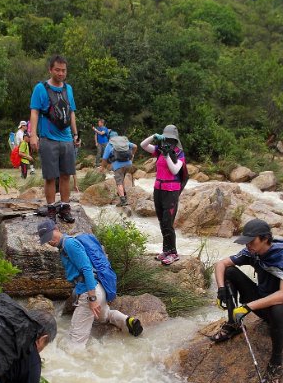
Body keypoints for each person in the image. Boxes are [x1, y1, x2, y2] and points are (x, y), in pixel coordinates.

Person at [213, 219, 283, 383]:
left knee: (278, 309)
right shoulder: (252, 252)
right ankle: (234, 323)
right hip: (263, 300)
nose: (248, 245)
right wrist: (221, 289)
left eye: (251, 241)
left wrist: (248, 307)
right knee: (229, 273)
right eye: (246, 242)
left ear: (265, 239)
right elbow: (221, 264)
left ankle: (275, 363)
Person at [38, 219, 143, 346]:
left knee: (75, 341)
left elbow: (87, 269)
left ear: (56, 229)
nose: (50, 241)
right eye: (46, 239)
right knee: (104, 317)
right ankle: (127, 321)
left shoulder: (69, 244)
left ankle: (76, 362)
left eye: (50, 236)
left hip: (90, 291)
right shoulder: (64, 245)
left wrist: (92, 298)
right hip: (98, 288)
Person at [30, 54, 80, 223]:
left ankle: (65, 207)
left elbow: (71, 112)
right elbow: (35, 112)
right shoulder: (40, 88)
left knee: (66, 175)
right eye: (57, 70)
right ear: (50, 70)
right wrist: (33, 135)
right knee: (50, 176)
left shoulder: (69, 89)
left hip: (66, 138)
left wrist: (75, 134)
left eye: (63, 70)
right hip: (48, 138)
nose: (60, 73)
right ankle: (51, 208)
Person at [140, 125, 185, 266]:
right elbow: (143, 145)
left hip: (171, 191)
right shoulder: (159, 150)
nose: (169, 142)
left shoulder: (179, 153)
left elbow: (174, 170)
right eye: (166, 139)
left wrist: (167, 156)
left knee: (168, 222)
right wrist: (154, 137)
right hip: (158, 189)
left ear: (175, 140)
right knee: (161, 221)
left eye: (171, 139)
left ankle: (173, 253)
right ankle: (166, 250)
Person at [100, 131, 137, 207]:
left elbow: (104, 158)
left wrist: (102, 167)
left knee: (119, 182)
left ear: (110, 138)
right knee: (122, 178)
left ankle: (123, 200)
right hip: (128, 164)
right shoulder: (124, 142)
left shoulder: (109, 144)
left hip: (118, 165)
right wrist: (132, 155)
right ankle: (124, 194)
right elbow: (135, 146)